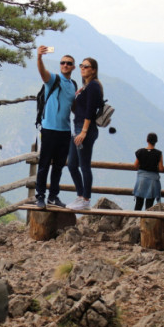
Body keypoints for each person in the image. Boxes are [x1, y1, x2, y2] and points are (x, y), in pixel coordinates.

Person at [34, 45, 76, 208]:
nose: (65, 65)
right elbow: (42, 73)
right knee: (44, 164)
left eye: (69, 63)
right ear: (60, 65)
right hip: (49, 129)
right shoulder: (53, 80)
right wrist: (39, 58)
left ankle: (53, 196)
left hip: (65, 131)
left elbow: (72, 107)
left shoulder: (73, 84)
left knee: (58, 166)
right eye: (63, 62)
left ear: (73, 67)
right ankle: (40, 196)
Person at [66, 57, 102, 211]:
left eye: (86, 66)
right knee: (72, 164)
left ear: (93, 69)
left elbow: (90, 110)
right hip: (78, 127)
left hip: (85, 129)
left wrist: (84, 132)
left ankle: (86, 200)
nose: (82, 68)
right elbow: (79, 109)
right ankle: (80, 196)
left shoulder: (94, 86)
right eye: (81, 66)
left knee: (84, 165)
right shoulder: (85, 87)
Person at [133, 132, 164, 210]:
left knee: (139, 203)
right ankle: (147, 221)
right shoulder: (158, 153)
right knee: (149, 205)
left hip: (141, 180)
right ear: (156, 141)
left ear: (147, 140)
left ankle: (134, 220)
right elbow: (161, 168)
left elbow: (135, 165)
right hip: (153, 182)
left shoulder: (140, 152)